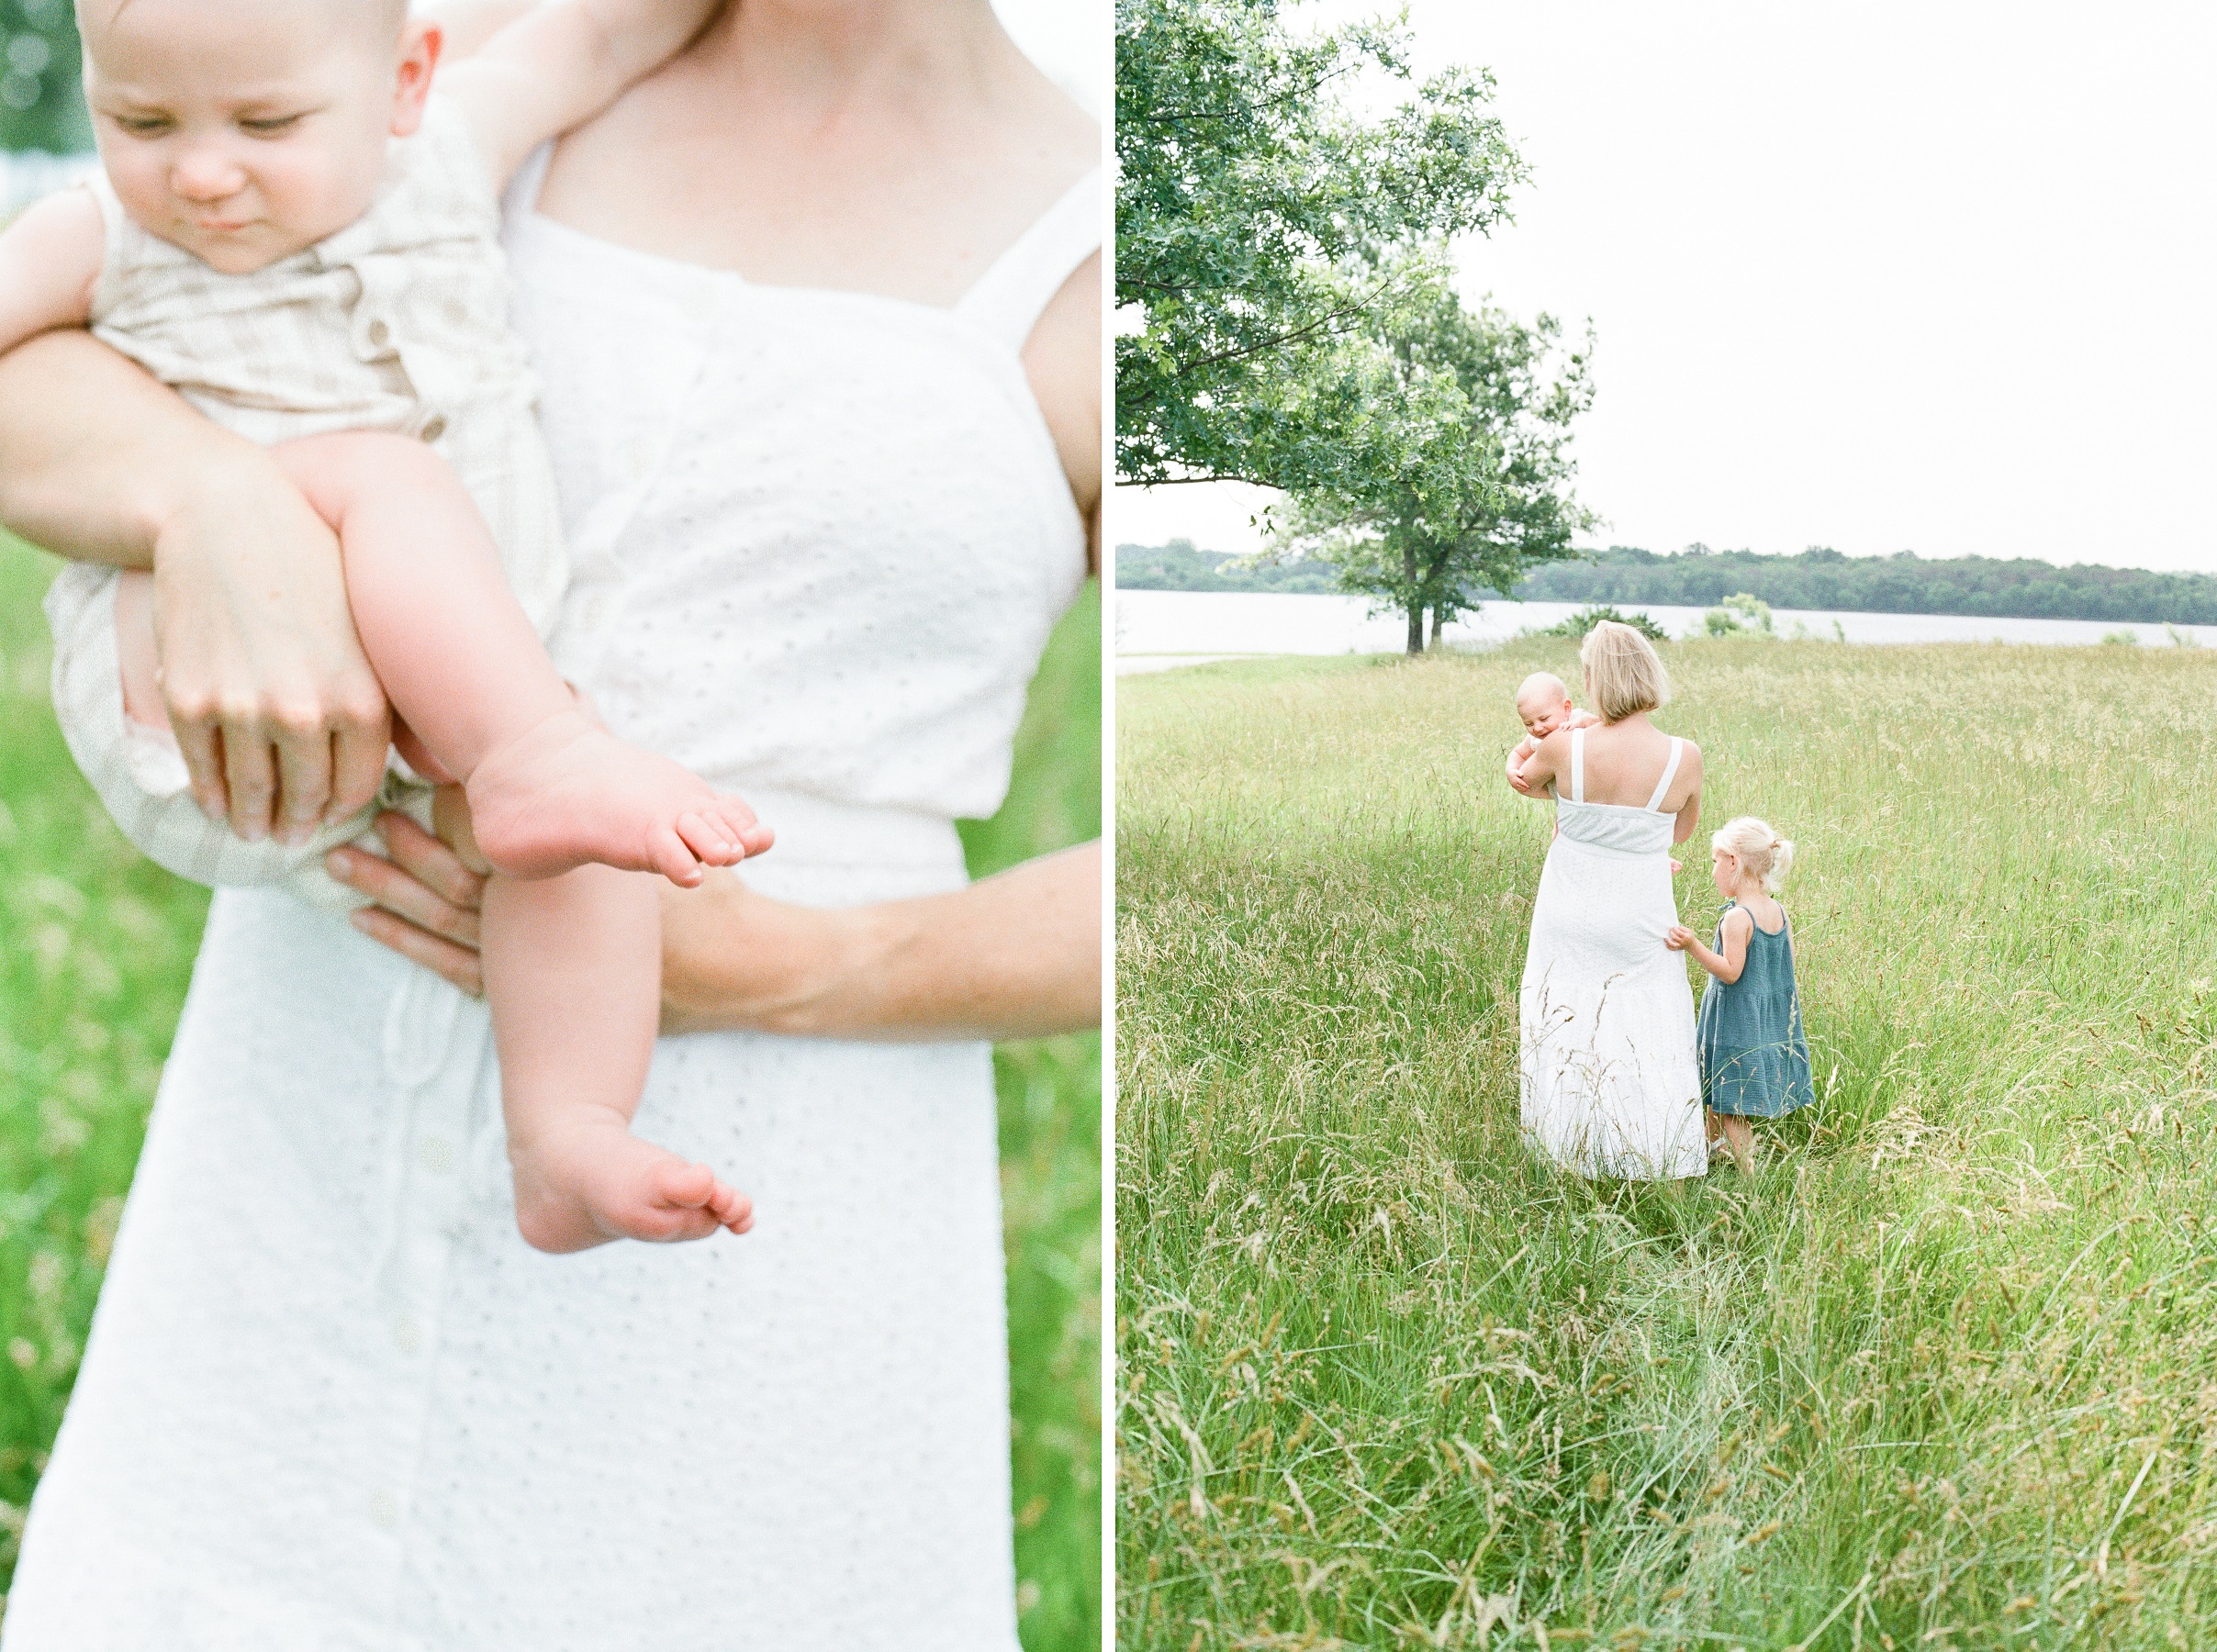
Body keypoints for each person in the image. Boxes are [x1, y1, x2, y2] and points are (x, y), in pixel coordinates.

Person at [0, 0, 1101, 1640]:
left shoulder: (1103, 234)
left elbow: (1184, 884)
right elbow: (84, 333)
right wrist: (208, 493)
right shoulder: (447, 62)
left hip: (770, 1178)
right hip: (305, 1136)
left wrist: (792, 963)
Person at [9, 0, 776, 1254]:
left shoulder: (450, 154)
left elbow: (593, 36)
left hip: (426, 722)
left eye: (269, 121)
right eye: (138, 120)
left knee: (577, 854)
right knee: (396, 483)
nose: (201, 173)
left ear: (407, 80)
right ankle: (534, 753)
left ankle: (566, 1134)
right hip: (192, 684)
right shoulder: (99, 234)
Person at [1507, 622, 1707, 1180]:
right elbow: (1679, 834)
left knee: (1564, 1014)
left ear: (1594, 682)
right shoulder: (1683, 756)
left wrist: (1515, 761)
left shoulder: (1562, 745)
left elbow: (1525, 778)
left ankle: (1566, 1146)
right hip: (1640, 909)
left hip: (1569, 904)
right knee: (1647, 1019)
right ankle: (1654, 1151)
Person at [1667, 816, 1814, 1171]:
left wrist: (1693, 945)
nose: (1713, 871)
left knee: (1731, 1106)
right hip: (1765, 1021)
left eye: (1715, 862)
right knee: (1717, 1097)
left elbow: (1731, 972)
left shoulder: (1737, 917)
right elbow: (1786, 964)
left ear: (1734, 861)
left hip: (1736, 1024)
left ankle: (1753, 1179)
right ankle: (1704, 1154)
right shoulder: (1778, 911)